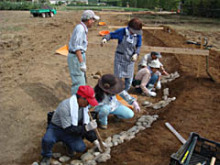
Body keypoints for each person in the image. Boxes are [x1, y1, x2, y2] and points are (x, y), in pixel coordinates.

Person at [40, 85, 103, 165]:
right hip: (57, 128)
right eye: (88, 101)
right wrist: (86, 128)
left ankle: (67, 144)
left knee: (80, 148)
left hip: (71, 128)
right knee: (47, 140)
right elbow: (69, 129)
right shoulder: (65, 106)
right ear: (81, 98)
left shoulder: (84, 108)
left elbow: (84, 125)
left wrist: (96, 141)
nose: (89, 104)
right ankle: (46, 156)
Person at [101, 18, 143, 91]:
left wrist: (136, 54)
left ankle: (124, 93)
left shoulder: (138, 35)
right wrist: (105, 39)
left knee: (129, 80)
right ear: (130, 28)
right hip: (120, 58)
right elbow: (110, 35)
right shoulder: (122, 32)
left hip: (130, 59)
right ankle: (116, 93)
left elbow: (138, 45)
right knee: (118, 79)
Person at [68, 10, 100, 94]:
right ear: (89, 19)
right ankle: (76, 104)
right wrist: (81, 63)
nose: (93, 22)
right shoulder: (80, 29)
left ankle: (81, 103)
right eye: (93, 20)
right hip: (76, 57)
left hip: (79, 56)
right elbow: (77, 48)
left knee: (82, 80)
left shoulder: (82, 28)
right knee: (79, 84)